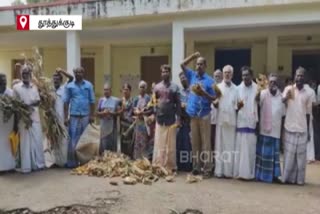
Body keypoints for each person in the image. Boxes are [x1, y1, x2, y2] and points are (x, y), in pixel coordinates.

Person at [181, 52, 216, 177]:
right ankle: (196, 167)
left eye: (201, 64)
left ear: (205, 66)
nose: (198, 66)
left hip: (205, 114)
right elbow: (182, 64)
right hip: (193, 115)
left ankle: (207, 169)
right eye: (197, 64)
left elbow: (214, 98)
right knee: (194, 142)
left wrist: (203, 93)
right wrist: (193, 56)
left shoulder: (210, 80)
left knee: (206, 143)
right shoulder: (192, 76)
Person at [282, 67, 312, 185]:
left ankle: (299, 180)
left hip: (302, 128)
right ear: (294, 76)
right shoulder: (288, 89)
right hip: (289, 126)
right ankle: (286, 179)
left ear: (305, 78)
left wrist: (308, 131)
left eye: (302, 76)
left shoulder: (309, 92)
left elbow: (308, 113)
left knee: (300, 157)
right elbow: (282, 101)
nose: (299, 77)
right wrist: (286, 97)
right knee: (289, 156)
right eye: (298, 75)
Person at [13, 65, 45, 173]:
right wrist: (16, 123)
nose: (25, 75)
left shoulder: (34, 87)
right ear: (21, 74)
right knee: (25, 143)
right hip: (23, 119)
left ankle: (38, 165)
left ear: (30, 74)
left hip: (35, 118)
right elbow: (16, 105)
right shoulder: (16, 87)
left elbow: (38, 101)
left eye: (27, 73)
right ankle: (26, 167)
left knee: (37, 141)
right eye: (23, 73)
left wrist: (28, 104)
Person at [63, 67, 95, 168]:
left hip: (85, 115)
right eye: (76, 72)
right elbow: (66, 102)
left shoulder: (89, 85)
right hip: (74, 116)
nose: (78, 74)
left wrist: (92, 115)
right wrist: (65, 117)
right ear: (74, 73)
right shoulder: (70, 86)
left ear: (83, 73)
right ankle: (73, 162)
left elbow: (92, 101)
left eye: (80, 72)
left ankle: (84, 162)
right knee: (73, 139)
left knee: (84, 139)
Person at [255, 74, 284, 183]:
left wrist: (282, 132)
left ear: (278, 84)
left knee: (274, 157)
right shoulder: (263, 94)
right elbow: (257, 106)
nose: (273, 84)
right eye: (271, 82)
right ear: (268, 83)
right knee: (263, 155)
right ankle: (261, 176)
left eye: (275, 82)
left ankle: (274, 176)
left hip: (276, 131)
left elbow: (283, 115)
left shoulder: (281, 97)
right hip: (264, 130)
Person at [153, 64, 181, 174]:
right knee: (159, 143)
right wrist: (154, 113)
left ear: (170, 73)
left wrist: (178, 118)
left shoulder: (175, 87)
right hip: (160, 119)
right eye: (163, 71)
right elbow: (154, 102)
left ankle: (170, 166)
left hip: (171, 119)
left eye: (167, 71)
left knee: (170, 144)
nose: (165, 73)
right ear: (161, 73)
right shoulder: (157, 87)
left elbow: (178, 104)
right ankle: (158, 165)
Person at [233, 66, 258, 180]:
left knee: (251, 150)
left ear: (251, 76)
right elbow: (234, 107)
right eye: (243, 75)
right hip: (241, 122)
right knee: (240, 149)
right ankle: (240, 173)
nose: (245, 77)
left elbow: (261, 106)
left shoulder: (257, 88)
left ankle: (250, 174)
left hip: (252, 122)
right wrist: (238, 106)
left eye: (247, 75)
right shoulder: (237, 89)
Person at [213, 65, 238, 178]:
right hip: (220, 121)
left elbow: (238, 105)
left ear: (232, 74)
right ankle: (219, 171)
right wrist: (215, 104)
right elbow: (213, 104)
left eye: (229, 73)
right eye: (225, 72)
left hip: (231, 122)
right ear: (223, 74)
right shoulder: (217, 87)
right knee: (219, 147)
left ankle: (228, 172)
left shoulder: (236, 89)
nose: (227, 74)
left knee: (229, 147)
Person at [51, 68, 74, 167]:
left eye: (57, 79)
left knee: (64, 140)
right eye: (54, 79)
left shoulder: (64, 88)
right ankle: (55, 162)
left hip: (63, 118)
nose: (55, 80)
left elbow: (71, 78)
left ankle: (63, 162)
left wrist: (61, 71)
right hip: (52, 119)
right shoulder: (50, 90)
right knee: (54, 140)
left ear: (61, 80)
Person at [96, 83, 120, 154]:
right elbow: (97, 113)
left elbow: (121, 110)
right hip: (103, 127)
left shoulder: (116, 100)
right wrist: (103, 113)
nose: (106, 91)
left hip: (113, 126)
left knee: (113, 145)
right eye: (104, 90)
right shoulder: (101, 100)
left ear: (111, 91)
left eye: (107, 90)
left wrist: (112, 113)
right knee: (104, 145)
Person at [176, 72, 192, 172]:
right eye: (181, 78)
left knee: (188, 145)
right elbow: (177, 106)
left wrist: (186, 105)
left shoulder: (192, 91)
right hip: (180, 121)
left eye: (184, 78)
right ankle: (180, 165)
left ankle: (188, 166)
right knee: (180, 143)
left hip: (190, 121)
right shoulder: (179, 92)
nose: (183, 80)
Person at [0, 73, 16, 172]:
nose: (4, 82)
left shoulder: (11, 93)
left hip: (9, 123)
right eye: (2, 81)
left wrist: (15, 125)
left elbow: (16, 110)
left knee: (9, 144)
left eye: (5, 81)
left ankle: (10, 166)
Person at [132, 81, 151, 159]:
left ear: (146, 88)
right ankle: (137, 158)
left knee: (144, 141)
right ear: (138, 88)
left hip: (145, 122)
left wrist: (143, 112)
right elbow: (133, 109)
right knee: (137, 140)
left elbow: (150, 109)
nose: (142, 89)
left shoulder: (148, 98)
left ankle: (145, 158)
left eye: (143, 87)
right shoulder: (136, 98)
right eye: (140, 87)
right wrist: (137, 112)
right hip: (138, 122)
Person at [211, 69, 223, 168]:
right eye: (215, 76)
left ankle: (218, 164)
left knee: (219, 144)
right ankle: (211, 164)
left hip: (221, 120)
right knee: (211, 143)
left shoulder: (224, 88)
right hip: (211, 120)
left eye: (219, 76)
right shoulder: (210, 88)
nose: (217, 77)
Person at [120, 83, 134, 158]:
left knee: (130, 142)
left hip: (130, 125)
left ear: (130, 91)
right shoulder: (120, 101)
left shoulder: (133, 101)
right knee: (122, 142)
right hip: (122, 124)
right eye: (124, 89)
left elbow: (133, 112)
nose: (125, 91)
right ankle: (123, 157)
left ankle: (130, 158)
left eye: (127, 90)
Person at [305, 81, 316, 163]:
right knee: (310, 136)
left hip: (300, 116)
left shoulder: (298, 89)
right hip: (309, 115)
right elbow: (314, 104)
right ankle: (310, 157)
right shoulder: (311, 91)